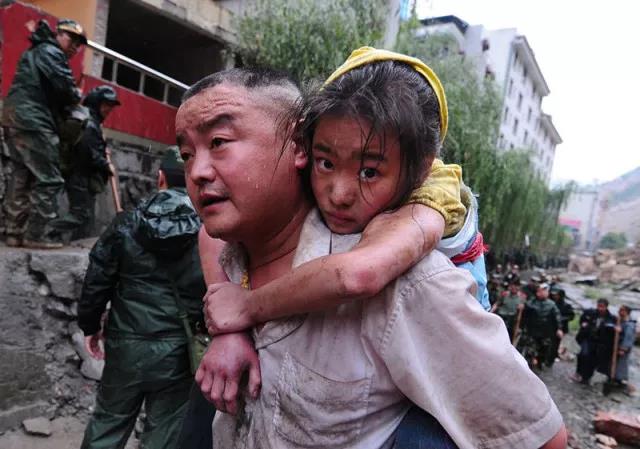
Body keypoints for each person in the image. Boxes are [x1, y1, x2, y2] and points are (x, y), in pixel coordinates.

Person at [177, 53, 566, 448]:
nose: (197, 172)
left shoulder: (409, 281)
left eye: (219, 142)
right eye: (186, 154)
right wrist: (230, 329)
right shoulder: (233, 253)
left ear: (297, 143)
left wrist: (247, 308)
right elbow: (209, 238)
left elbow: (542, 437)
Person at [77, 147, 207, 449]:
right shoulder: (210, 232)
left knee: (108, 422)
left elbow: (96, 281)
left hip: (126, 345)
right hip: (178, 350)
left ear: (160, 178)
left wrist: (90, 326)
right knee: (165, 431)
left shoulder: (126, 224)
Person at [2, 19, 86, 249]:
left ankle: (14, 232)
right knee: (50, 179)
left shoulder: (35, 51)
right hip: (34, 120)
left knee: (22, 175)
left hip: (15, 117)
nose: (74, 46)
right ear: (57, 34)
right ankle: (37, 234)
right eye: (71, 38)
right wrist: (76, 94)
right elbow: (66, 90)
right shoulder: (51, 52)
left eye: (78, 43)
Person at [50, 85, 120, 240]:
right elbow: (88, 153)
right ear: (96, 103)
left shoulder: (92, 121)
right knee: (80, 215)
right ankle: (46, 229)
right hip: (79, 175)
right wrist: (106, 165)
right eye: (106, 104)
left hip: (84, 176)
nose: (109, 109)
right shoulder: (89, 124)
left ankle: (73, 240)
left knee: (85, 216)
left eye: (111, 106)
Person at [572, 298, 617, 385]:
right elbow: (583, 320)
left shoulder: (611, 318)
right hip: (588, 339)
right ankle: (578, 372)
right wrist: (583, 325)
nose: (600, 308)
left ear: (606, 307)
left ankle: (586, 377)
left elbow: (612, 332)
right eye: (599, 306)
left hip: (599, 343)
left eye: (602, 307)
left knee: (593, 360)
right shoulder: (590, 313)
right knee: (583, 355)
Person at [519, 283, 563, 369]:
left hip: (545, 332)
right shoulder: (531, 302)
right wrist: (522, 308)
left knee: (544, 349)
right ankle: (529, 365)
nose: (542, 293)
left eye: (544, 291)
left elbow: (557, 317)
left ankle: (540, 362)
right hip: (532, 331)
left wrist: (559, 328)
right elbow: (525, 315)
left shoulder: (551, 304)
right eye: (540, 291)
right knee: (530, 350)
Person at [549, 286, 575, 362]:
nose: (555, 296)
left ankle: (554, 356)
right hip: (551, 326)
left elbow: (571, 316)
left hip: (562, 327)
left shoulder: (566, 306)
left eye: (556, 295)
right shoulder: (552, 303)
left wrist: (562, 318)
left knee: (556, 342)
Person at [614, 305, 636, 391]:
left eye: (622, 310)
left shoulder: (629, 324)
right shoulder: (621, 321)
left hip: (623, 348)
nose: (619, 312)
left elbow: (628, 337)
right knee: (617, 363)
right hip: (617, 346)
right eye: (619, 310)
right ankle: (616, 378)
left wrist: (623, 348)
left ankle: (621, 381)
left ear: (627, 312)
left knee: (622, 365)